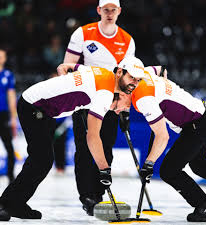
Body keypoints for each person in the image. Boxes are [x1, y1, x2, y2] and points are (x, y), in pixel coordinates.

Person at [0, 56, 147, 221]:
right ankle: (5, 204)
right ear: (120, 72)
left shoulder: (103, 72)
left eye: (138, 80)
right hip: (34, 106)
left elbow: (64, 67)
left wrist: (67, 83)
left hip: (45, 110)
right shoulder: (105, 94)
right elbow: (92, 137)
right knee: (42, 160)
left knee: (41, 160)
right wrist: (104, 169)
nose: (134, 82)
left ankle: (16, 202)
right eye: (131, 77)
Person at [63, 0, 136, 215]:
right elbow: (67, 67)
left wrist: (125, 109)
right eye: (106, 9)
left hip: (111, 103)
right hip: (85, 100)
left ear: (120, 11)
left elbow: (128, 79)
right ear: (99, 10)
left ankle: (99, 193)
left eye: (114, 9)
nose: (110, 13)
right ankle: (87, 195)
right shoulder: (82, 34)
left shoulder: (127, 40)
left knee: (106, 148)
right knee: (85, 149)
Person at [128, 66, 206, 222]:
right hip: (200, 116)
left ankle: (204, 205)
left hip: (196, 123)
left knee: (169, 170)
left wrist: (148, 164)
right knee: (200, 164)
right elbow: (160, 68)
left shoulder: (143, 97)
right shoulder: (143, 74)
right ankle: (204, 204)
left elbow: (162, 136)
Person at [0, 48, 16, 184]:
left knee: (8, 145)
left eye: (2, 56)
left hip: (3, 114)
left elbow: (11, 96)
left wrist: (13, 117)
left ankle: (11, 175)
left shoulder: (8, 75)